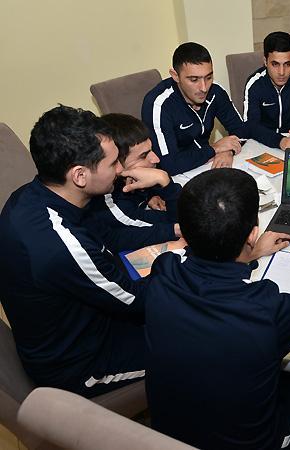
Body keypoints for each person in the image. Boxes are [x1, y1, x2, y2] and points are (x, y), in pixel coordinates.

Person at [144, 168, 290, 449]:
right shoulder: (268, 308)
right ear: (254, 233)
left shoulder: (164, 269)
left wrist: (251, 253)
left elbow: (199, 264)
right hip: (253, 442)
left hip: (167, 432)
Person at [0, 105, 181, 397]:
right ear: (80, 175)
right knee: (201, 341)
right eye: (113, 164)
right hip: (82, 364)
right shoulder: (61, 245)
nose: (121, 170)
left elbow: (109, 237)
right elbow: (135, 299)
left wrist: (172, 235)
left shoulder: (33, 196)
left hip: (88, 319)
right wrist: (179, 262)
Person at [142, 42, 249, 177]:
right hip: (176, 177)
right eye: (194, 80)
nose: (204, 88)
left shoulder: (215, 92)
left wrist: (227, 151)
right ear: (175, 76)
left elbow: (242, 130)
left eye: (208, 77)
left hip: (206, 165)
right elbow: (169, 164)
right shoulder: (158, 104)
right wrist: (214, 149)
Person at [101, 113, 180, 224]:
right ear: (115, 162)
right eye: (143, 156)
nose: (156, 159)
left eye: (151, 150)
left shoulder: (130, 180)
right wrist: (164, 181)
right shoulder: (115, 205)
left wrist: (151, 195)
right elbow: (180, 222)